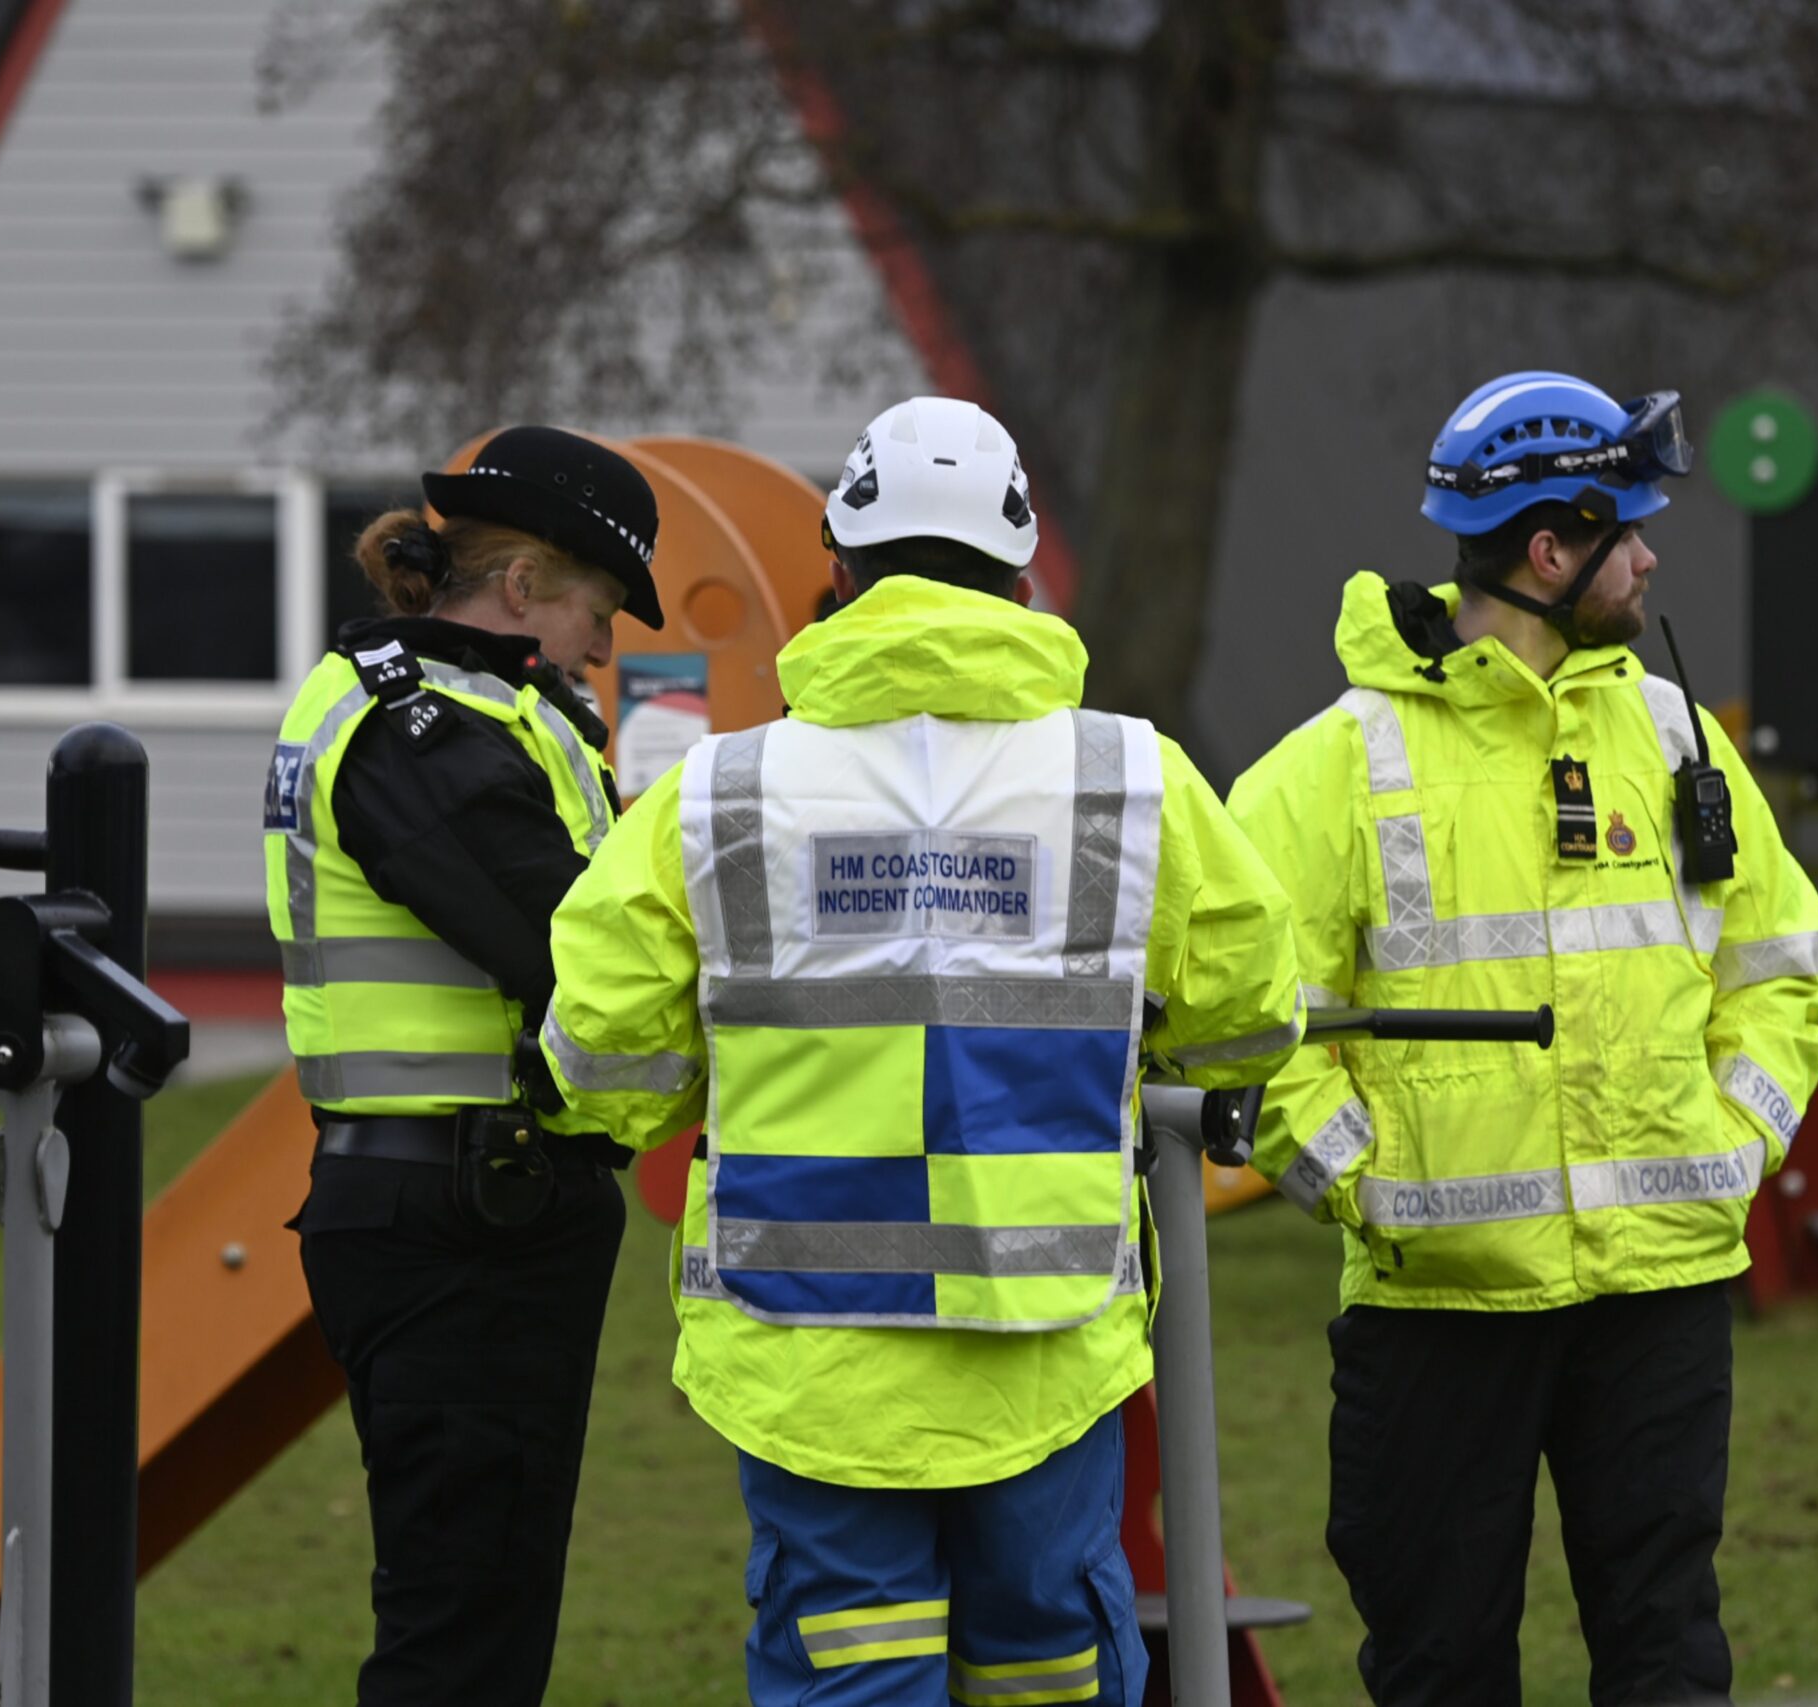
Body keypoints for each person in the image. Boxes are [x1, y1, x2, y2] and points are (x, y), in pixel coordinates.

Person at [530, 396, 1304, 1706]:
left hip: (805, 1344)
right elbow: (1251, 1013)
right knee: (1048, 1664)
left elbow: (596, 1056)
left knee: (849, 1669)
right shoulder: (1133, 779)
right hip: (1045, 1337)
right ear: (1019, 574)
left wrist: (693, 1086)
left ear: (836, 567)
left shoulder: (716, 794)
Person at [1227, 371, 1818, 1707]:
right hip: (1440, 1306)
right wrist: (1365, 1179)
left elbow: (1783, 959)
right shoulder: (1336, 767)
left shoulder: (1676, 736)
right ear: (1551, 548)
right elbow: (1238, 1010)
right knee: (1440, 1663)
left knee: (1669, 1654)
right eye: (1629, 525)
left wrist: (1733, 1147)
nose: (1653, 550)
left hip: (1658, 1298)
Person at [263, 425, 662, 1705]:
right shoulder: (415, 725)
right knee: (460, 1630)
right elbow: (568, 942)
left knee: (485, 1606)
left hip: (478, 1200)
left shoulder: (481, 710)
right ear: (528, 580)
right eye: (597, 609)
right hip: (454, 1215)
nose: (602, 647)